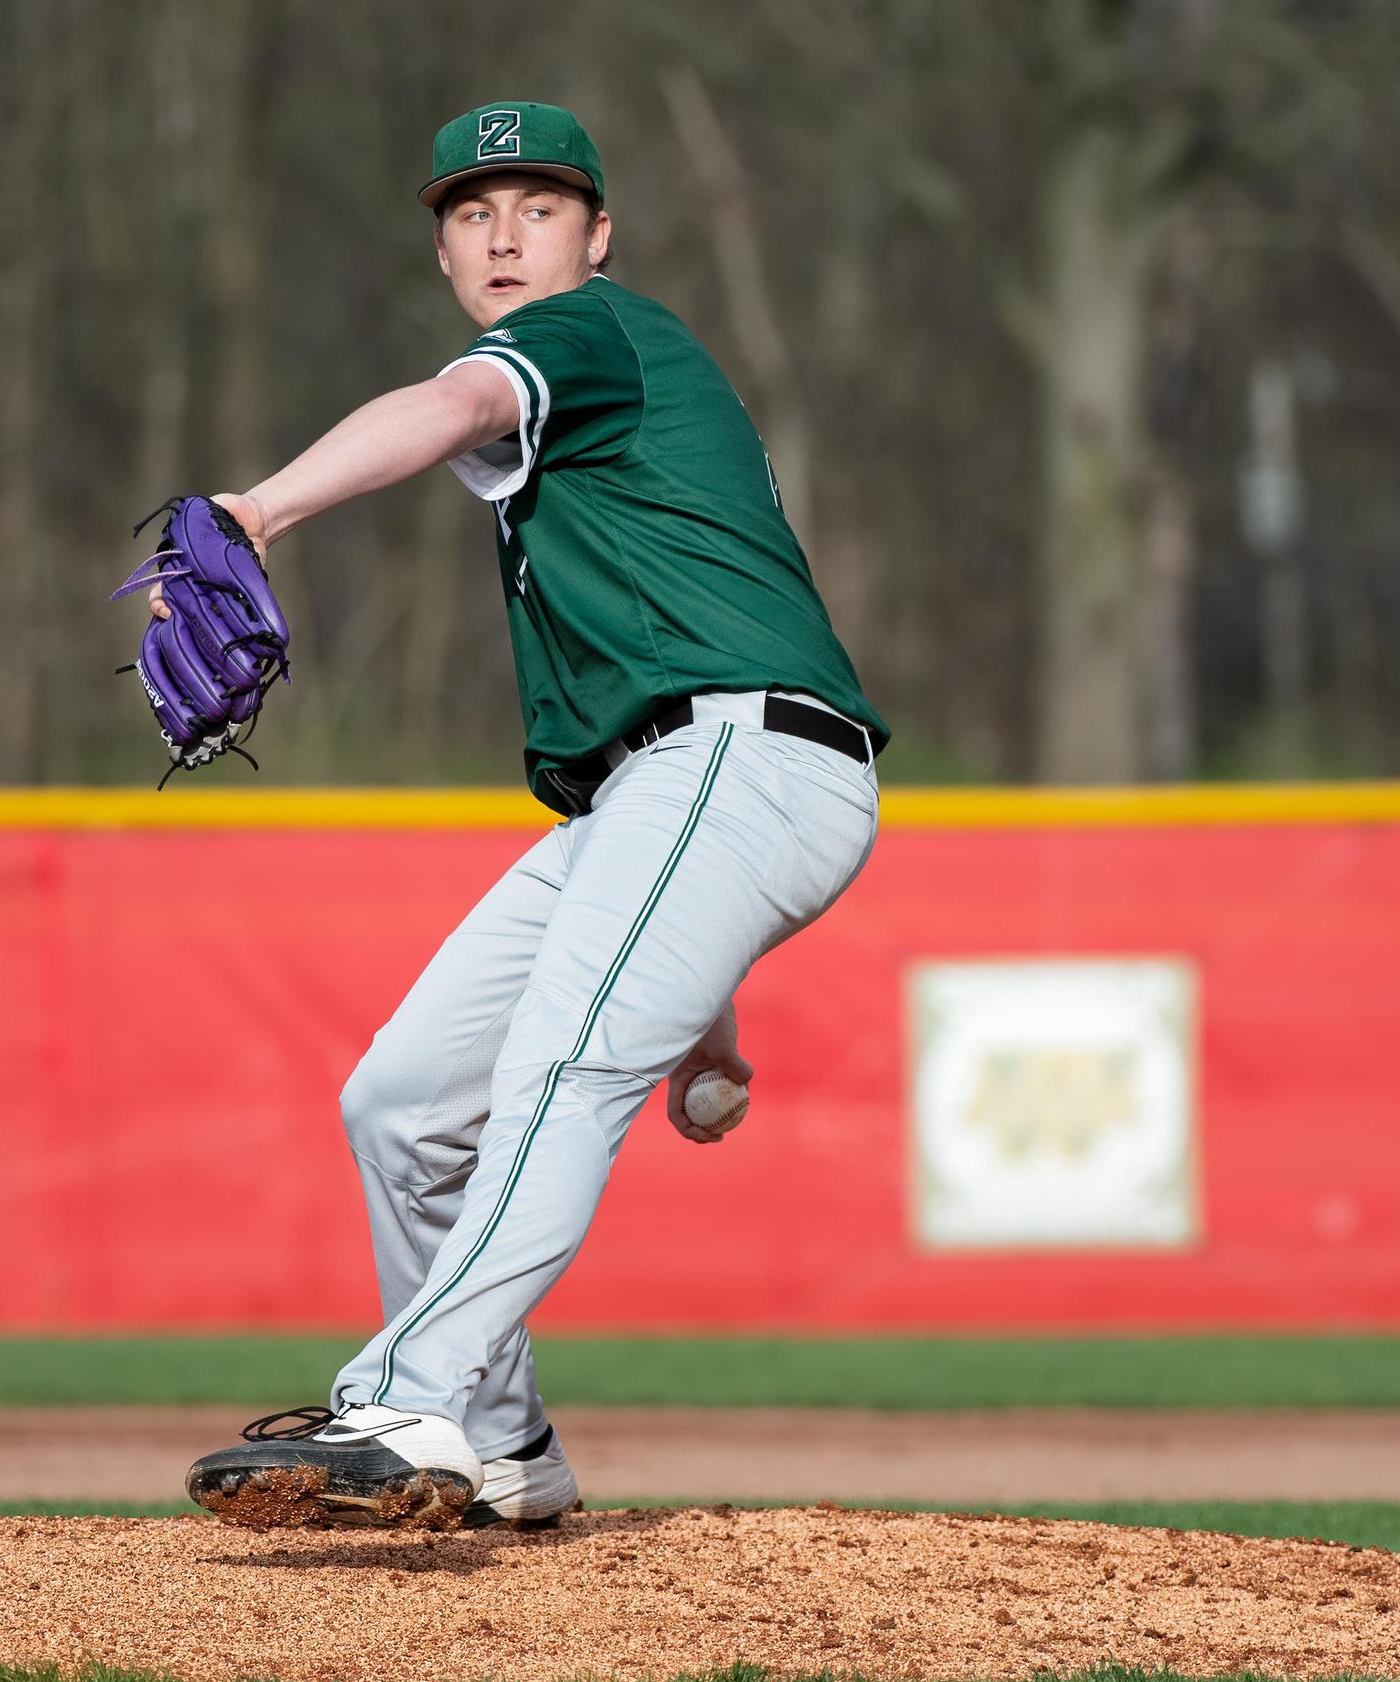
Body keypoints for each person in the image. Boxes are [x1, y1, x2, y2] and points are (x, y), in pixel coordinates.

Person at [178, 102, 888, 1528]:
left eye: (541, 206)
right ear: (441, 246)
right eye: (471, 212)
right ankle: (501, 1443)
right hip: (679, 785)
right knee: (399, 1106)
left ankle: (411, 1395)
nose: (505, 235)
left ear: (598, 237)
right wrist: (711, 1013)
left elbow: (448, 407)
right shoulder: (597, 447)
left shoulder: (584, 337)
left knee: (558, 1070)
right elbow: (662, 801)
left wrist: (259, 510)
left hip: (745, 764)